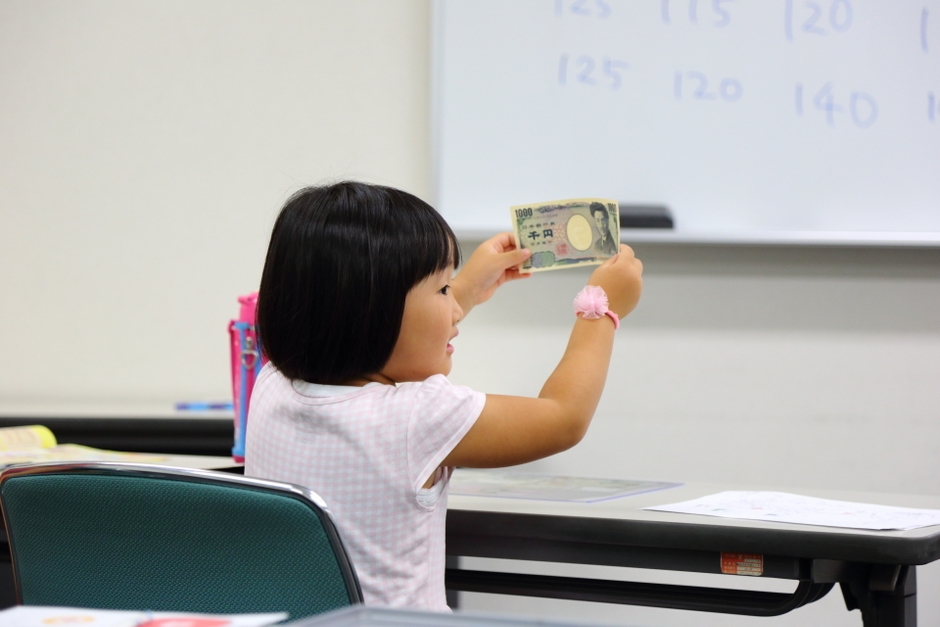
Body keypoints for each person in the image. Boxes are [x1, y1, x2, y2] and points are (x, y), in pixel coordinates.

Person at [244, 181, 643, 611]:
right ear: (374, 313)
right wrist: (600, 308)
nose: (454, 309)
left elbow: (383, 330)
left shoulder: (271, 385)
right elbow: (563, 417)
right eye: (442, 290)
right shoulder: (418, 416)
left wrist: (466, 288)